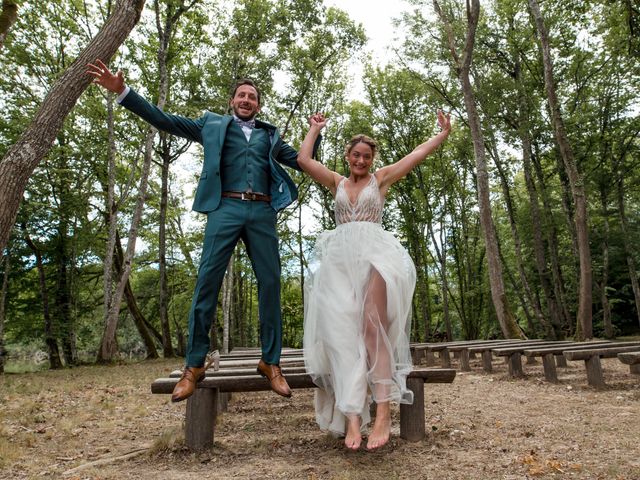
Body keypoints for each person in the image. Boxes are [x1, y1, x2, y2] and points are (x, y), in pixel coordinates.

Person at [87, 59, 319, 402]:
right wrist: (122, 91)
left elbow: (304, 160)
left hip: (262, 210)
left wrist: (316, 131)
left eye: (252, 97)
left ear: (258, 104)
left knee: (270, 284)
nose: (246, 100)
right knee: (206, 283)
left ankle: (271, 363)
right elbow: (164, 120)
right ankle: (194, 365)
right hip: (224, 207)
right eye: (241, 95)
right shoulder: (211, 125)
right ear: (232, 101)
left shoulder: (270, 136)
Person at [299, 111, 451, 451]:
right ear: (347, 157)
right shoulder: (336, 182)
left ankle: (383, 410)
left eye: (367, 156)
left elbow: (415, 156)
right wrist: (315, 128)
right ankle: (353, 417)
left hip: (375, 255)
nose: (361, 160)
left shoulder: (379, 180)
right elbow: (303, 159)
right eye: (356, 155)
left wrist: (441, 135)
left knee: (372, 327)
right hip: (339, 260)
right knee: (342, 336)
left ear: (372, 160)